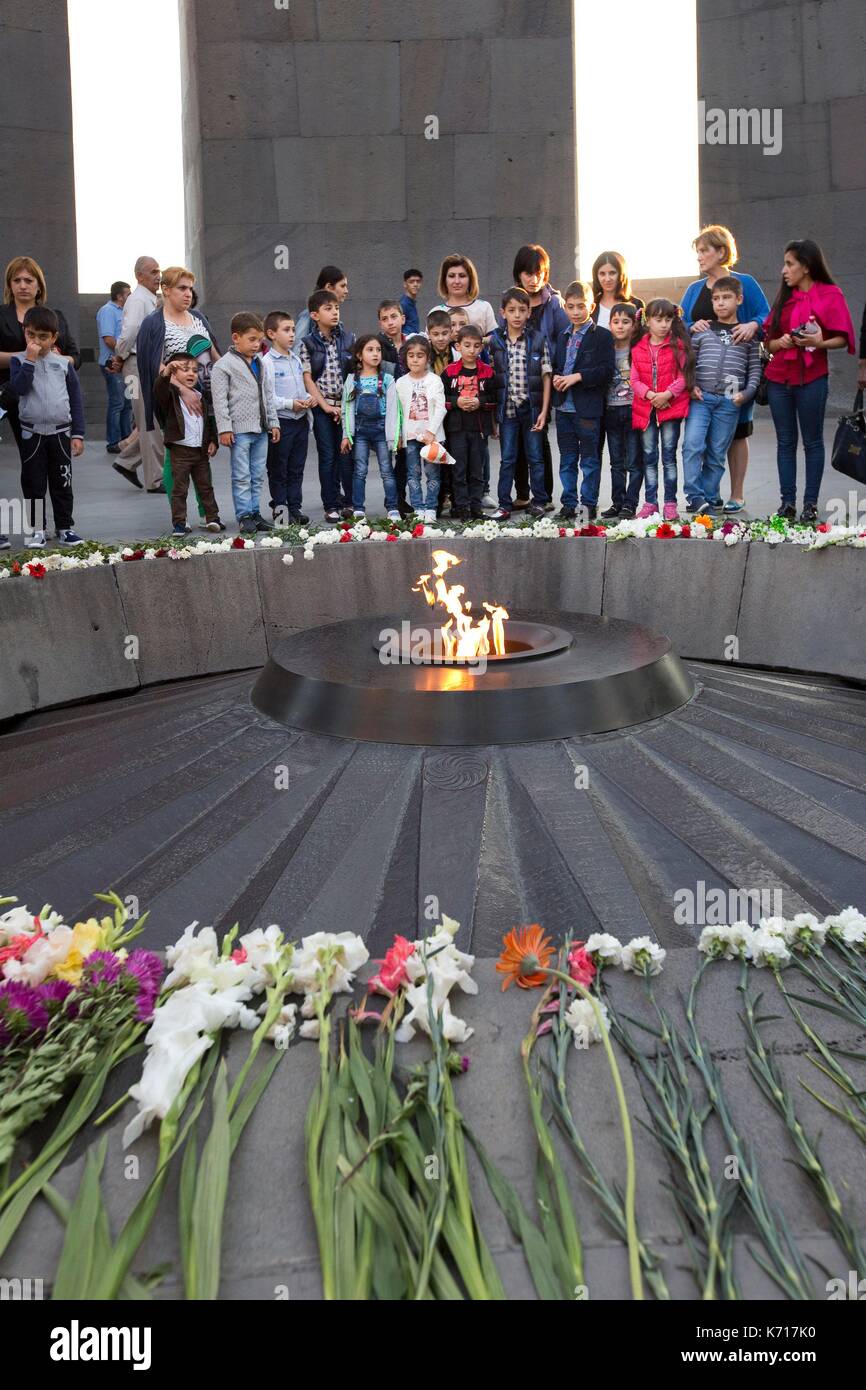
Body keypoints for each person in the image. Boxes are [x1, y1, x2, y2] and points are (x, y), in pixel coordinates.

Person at [763, 239, 855, 524]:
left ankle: (810, 504)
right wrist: (779, 342)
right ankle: (787, 503)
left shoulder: (830, 294)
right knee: (785, 442)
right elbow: (768, 344)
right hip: (779, 379)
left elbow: (843, 338)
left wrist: (819, 341)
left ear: (806, 266)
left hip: (812, 377)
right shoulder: (784, 298)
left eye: (789, 264)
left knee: (813, 442)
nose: (784, 270)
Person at [680, 226, 769, 512]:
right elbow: (678, 324)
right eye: (698, 252)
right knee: (700, 439)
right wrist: (691, 326)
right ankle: (708, 494)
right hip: (704, 381)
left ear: (721, 251)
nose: (700, 257)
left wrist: (753, 324)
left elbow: (766, 315)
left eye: (704, 251)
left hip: (737, 375)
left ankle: (737, 493)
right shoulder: (695, 290)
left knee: (737, 434)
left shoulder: (745, 283)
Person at [0, 255, 79, 550]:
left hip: (48, 404)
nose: (23, 285)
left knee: (48, 469)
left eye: (28, 280)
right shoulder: (2, 316)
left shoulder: (53, 315)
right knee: (30, 472)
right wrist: (24, 358)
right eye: (17, 280)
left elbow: (74, 356)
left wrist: (57, 361)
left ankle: (59, 525)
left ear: (38, 285)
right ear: (9, 284)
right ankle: (28, 527)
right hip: (8, 393)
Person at [509, 244, 571, 509]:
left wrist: (556, 373)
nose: (533, 279)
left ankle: (543, 495)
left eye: (539, 273)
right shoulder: (512, 301)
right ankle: (522, 493)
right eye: (528, 273)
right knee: (516, 440)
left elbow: (564, 339)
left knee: (539, 435)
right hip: (516, 380)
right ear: (518, 274)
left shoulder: (554, 303)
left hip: (544, 379)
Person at [550, 281, 615, 521]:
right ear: (565, 308)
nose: (576, 311)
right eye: (571, 307)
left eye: (581, 306)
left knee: (589, 460)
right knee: (567, 460)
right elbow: (559, 366)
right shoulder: (562, 335)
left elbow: (606, 371)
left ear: (592, 306)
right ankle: (568, 503)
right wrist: (557, 377)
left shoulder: (602, 336)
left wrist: (578, 377)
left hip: (587, 409)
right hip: (564, 409)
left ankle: (588, 504)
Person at [211, 311, 280, 535]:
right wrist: (225, 428)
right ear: (235, 338)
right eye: (251, 339)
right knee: (241, 475)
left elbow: (269, 395)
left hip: (261, 428)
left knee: (257, 473)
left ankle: (255, 512)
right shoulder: (223, 366)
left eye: (259, 340)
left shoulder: (262, 363)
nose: (257, 344)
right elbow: (219, 401)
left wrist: (274, 422)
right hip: (239, 431)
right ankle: (244, 515)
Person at [489, 287, 552, 521]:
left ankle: (539, 501)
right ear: (502, 312)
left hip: (532, 408)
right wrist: (492, 418)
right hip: (507, 410)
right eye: (512, 310)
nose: (517, 315)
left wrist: (544, 411)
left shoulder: (537, 339)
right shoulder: (495, 341)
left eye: (522, 310)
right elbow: (492, 379)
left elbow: (547, 375)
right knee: (508, 459)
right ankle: (504, 504)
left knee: (535, 457)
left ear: (528, 313)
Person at [630, 301, 695, 520]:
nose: (664, 324)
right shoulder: (638, 347)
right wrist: (650, 396)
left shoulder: (677, 346)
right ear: (647, 320)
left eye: (668, 320)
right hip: (646, 411)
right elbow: (634, 379)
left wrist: (666, 395)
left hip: (670, 410)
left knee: (669, 458)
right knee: (649, 458)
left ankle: (670, 503)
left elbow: (682, 377)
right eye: (659, 320)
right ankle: (650, 503)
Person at [152, 352, 224, 536]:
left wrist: (213, 441)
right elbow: (159, 389)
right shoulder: (170, 397)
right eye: (185, 370)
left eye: (195, 370)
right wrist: (166, 372)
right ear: (175, 374)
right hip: (180, 451)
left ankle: (212, 518)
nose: (191, 374)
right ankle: (179, 523)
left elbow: (209, 421)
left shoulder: (201, 396)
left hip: (200, 452)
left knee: (205, 486)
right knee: (179, 489)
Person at [299, 289, 355, 521]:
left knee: (347, 455)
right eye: (328, 309)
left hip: (346, 406)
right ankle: (330, 504)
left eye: (337, 308)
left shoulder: (348, 338)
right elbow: (308, 378)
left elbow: (354, 373)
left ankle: (349, 502)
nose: (334, 312)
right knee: (328, 455)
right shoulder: (308, 344)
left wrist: (345, 405)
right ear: (314, 315)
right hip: (323, 408)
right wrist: (325, 407)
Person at [112, 255, 164, 492]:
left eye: (158, 271)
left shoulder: (152, 299)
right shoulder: (137, 300)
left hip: (146, 364)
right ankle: (155, 479)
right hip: (135, 365)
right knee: (147, 420)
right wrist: (120, 355)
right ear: (139, 276)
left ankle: (126, 461)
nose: (158, 276)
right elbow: (131, 329)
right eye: (152, 272)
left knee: (151, 420)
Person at [441, 325, 500, 521]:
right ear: (457, 346)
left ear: (481, 348)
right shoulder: (449, 373)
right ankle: (462, 507)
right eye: (467, 345)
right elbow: (441, 399)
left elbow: (494, 398)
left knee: (477, 469)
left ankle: (476, 507)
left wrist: (480, 402)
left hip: (479, 429)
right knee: (459, 469)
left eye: (476, 346)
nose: (471, 350)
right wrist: (456, 402)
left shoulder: (487, 372)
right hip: (456, 429)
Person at [340, 335, 402, 520]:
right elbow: (347, 408)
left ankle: (392, 508)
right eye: (370, 350)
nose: (375, 354)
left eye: (378, 350)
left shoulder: (388, 379)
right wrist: (346, 434)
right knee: (359, 469)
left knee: (386, 469)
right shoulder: (352, 379)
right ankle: (358, 508)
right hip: (360, 432)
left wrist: (394, 435)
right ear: (359, 355)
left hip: (381, 429)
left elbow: (393, 409)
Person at [261, 310, 312, 526]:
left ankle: (295, 508)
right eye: (286, 330)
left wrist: (308, 399)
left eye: (293, 330)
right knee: (278, 469)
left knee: (296, 467)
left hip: (299, 421)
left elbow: (301, 388)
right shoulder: (268, 362)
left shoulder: (296, 359)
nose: (292, 334)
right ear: (272, 334)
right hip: (281, 423)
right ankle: (280, 512)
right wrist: (290, 403)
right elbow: (268, 397)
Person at [396, 334, 446, 522]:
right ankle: (418, 507)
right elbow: (399, 413)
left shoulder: (434, 380)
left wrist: (431, 432)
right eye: (411, 355)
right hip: (410, 436)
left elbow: (440, 408)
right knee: (413, 473)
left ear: (428, 358)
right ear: (405, 358)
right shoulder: (400, 383)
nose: (415, 359)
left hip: (431, 437)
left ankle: (431, 507)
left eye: (420, 355)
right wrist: (399, 435)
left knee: (433, 473)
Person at [600, 303, 642, 520]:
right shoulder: (606, 350)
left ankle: (630, 503)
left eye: (626, 322)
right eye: (616, 322)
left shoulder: (638, 350)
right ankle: (617, 501)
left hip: (633, 410)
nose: (620, 326)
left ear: (634, 325)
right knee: (616, 461)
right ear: (609, 324)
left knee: (634, 461)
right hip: (611, 411)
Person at [96, 280, 132, 454]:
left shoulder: (126, 312)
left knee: (128, 404)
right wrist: (124, 354)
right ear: (119, 296)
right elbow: (109, 339)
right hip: (112, 364)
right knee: (117, 403)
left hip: (126, 365)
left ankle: (127, 440)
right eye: (128, 294)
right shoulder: (107, 311)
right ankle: (113, 442)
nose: (130, 297)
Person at [429, 254, 497, 336]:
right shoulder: (436, 312)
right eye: (451, 276)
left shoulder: (483, 307)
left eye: (462, 276)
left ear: (470, 279)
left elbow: (495, 341)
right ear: (444, 280)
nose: (457, 281)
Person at [590, 251, 645, 330]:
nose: (607, 279)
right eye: (602, 274)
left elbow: (644, 335)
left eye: (612, 273)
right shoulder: (590, 306)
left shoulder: (638, 305)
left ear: (621, 274)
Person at [294, 265, 349, 343]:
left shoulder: (339, 326)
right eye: (342, 286)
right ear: (329, 287)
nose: (346, 291)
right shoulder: (308, 316)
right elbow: (298, 348)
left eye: (336, 308)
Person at [400, 269, 423, 334]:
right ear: (405, 284)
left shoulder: (412, 303)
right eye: (411, 281)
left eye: (418, 281)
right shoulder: (403, 304)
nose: (415, 284)